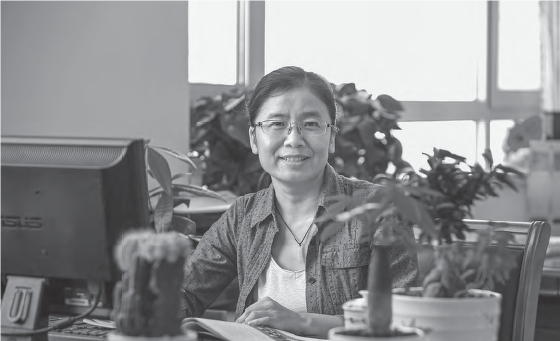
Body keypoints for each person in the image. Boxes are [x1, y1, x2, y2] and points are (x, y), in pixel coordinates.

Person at [181, 66, 418, 337]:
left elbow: (402, 316)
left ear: (332, 137)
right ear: (254, 139)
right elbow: (186, 290)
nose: (294, 139)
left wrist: (302, 322)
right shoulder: (242, 216)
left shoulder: (379, 208)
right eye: (276, 124)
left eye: (311, 124)